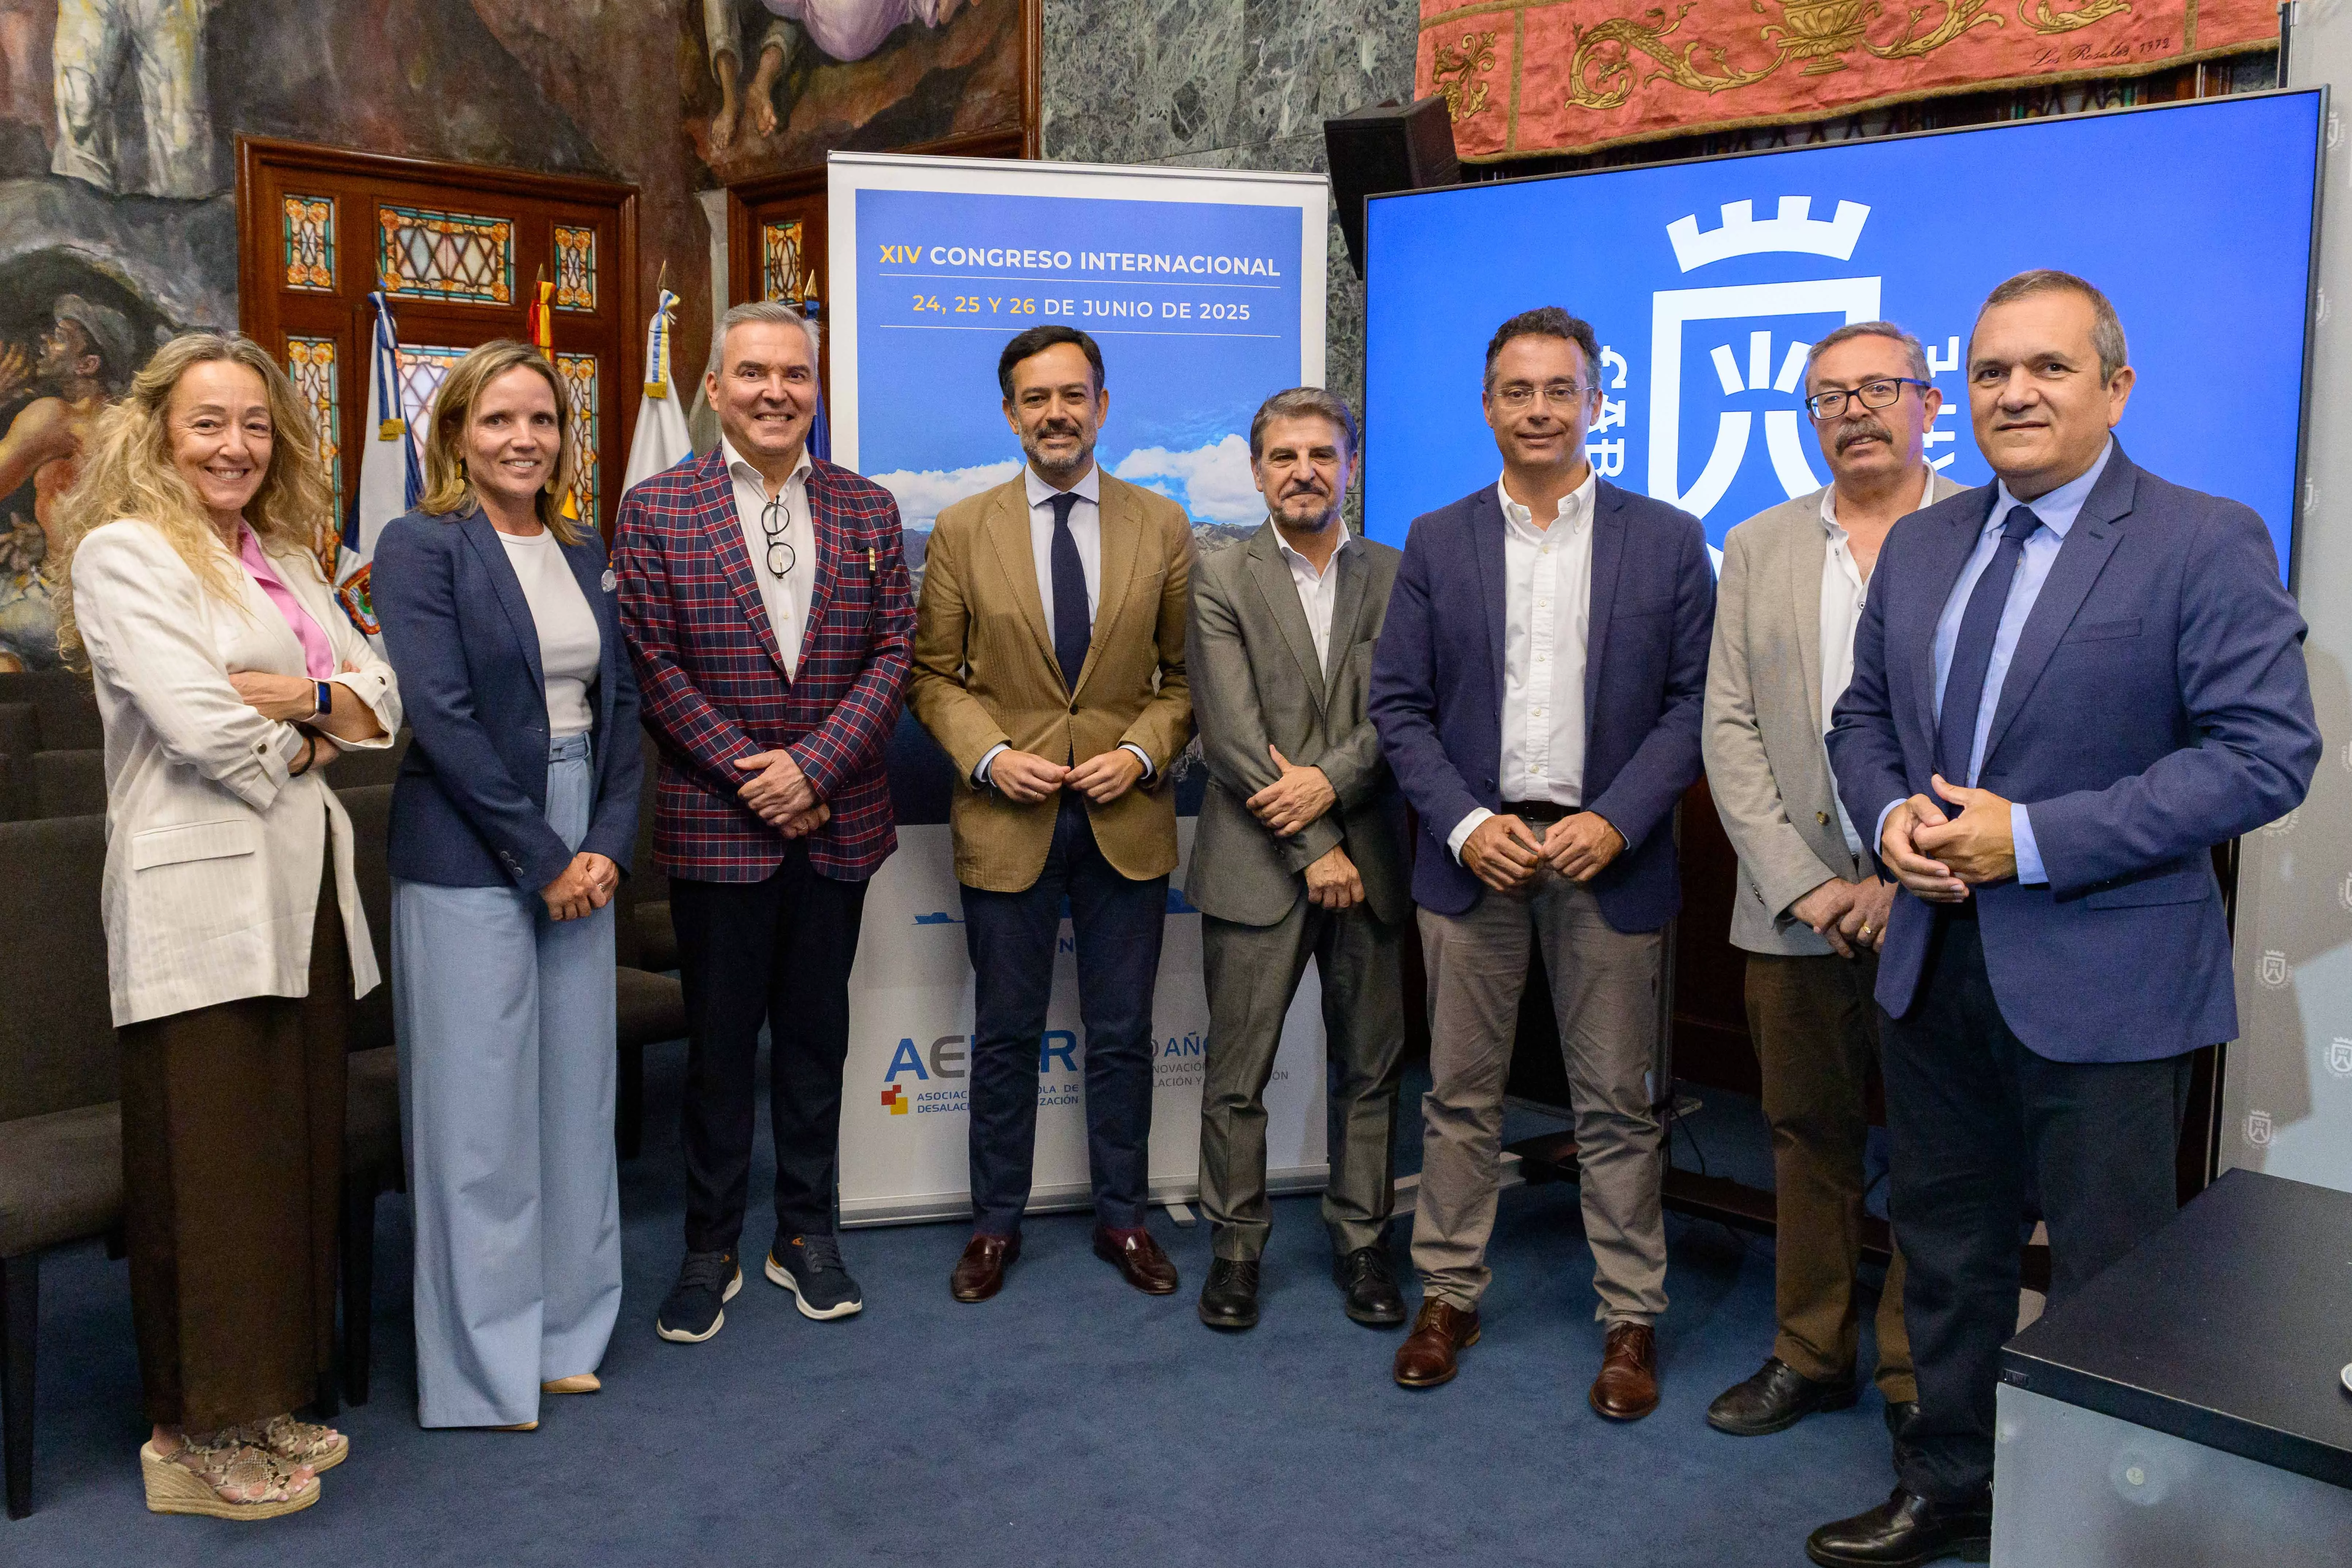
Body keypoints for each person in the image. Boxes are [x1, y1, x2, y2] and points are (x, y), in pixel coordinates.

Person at [1812, 271, 2319, 1566]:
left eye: (2047, 368)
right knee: (1948, 1252)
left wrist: (2027, 840)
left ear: (2116, 385)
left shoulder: (2204, 538)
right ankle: (1952, 1485)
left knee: (2112, 1277)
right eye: (1990, 372)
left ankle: (2105, 1524)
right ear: (1960, 393)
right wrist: (1891, 825)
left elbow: (2264, 754)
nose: (2015, 394)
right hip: (1934, 966)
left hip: (2111, 979)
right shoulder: (1926, 541)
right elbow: (1861, 722)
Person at [53, 332, 400, 1517]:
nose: (235, 445)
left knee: (284, 1150)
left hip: (301, 895)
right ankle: (189, 1433)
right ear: (157, 430)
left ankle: (260, 1398)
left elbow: (383, 696)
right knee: (206, 1167)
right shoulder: (124, 554)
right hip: (195, 896)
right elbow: (203, 730)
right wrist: (316, 723)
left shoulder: (286, 559)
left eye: (255, 423)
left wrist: (303, 701)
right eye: (209, 422)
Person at [1368, 306, 1714, 1411]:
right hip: (1477, 855)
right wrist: (1468, 824)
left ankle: (1629, 1318)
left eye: (1559, 390)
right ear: (1487, 406)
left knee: (1616, 1099)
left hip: (1607, 853)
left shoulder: (1667, 539)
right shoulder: (1437, 538)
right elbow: (1400, 707)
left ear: (1597, 403)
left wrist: (1614, 817)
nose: (1538, 410)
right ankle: (1449, 1293)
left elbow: (1694, 703)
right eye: (1516, 391)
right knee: (1461, 1094)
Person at [616, 301, 913, 1344]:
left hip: (839, 821)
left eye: (794, 374)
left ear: (815, 388)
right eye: (753, 374)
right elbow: (650, 665)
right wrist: (761, 775)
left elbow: (892, 654)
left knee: (816, 1040)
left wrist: (817, 766)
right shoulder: (656, 509)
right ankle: (709, 1246)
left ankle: (804, 1232)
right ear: (712, 386)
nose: (776, 391)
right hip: (718, 823)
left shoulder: (870, 509)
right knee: (717, 1050)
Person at [1701, 323, 1965, 1446]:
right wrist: (1809, 886)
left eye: (1878, 389)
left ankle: (1919, 1375)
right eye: (1828, 397)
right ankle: (1810, 1350)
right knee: (1805, 1132)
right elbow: (1731, 728)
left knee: (1941, 1151)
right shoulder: (1758, 544)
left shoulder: (1984, 531)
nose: (1854, 411)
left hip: (1948, 905)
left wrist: (1905, 882)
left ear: (1927, 400)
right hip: (1792, 906)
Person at [373, 341, 642, 1431]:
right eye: (497, 421)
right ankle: (485, 1367)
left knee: (577, 1098)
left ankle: (567, 1330)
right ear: (456, 434)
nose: (523, 439)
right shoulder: (420, 545)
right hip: (472, 844)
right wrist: (546, 856)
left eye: (542, 420)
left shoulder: (585, 550)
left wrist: (611, 844)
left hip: (586, 832)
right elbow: (441, 717)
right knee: (478, 1115)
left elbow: (624, 713)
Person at [908, 324, 1194, 1304]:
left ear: (1104, 407)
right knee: (1005, 1032)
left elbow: (1186, 682)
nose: (1057, 414)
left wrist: (1140, 749)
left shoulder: (1163, 524)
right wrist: (990, 756)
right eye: (1037, 398)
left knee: (1120, 1033)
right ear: (1009, 414)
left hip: (1129, 814)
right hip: (1007, 818)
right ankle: (995, 1225)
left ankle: (1125, 1218)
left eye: (1074, 395)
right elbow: (933, 677)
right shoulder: (960, 529)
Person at [1186, 387, 1409, 1333]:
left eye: (1323, 454)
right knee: (1238, 1076)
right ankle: (1236, 1250)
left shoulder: (1402, 575)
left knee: (1371, 1068)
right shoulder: (1219, 574)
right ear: (1256, 469)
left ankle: (1362, 1244)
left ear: (1350, 465)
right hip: (1257, 862)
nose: (1304, 472)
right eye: (1284, 456)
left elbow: (1401, 714)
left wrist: (1326, 793)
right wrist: (1317, 842)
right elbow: (1232, 737)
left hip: (1377, 865)